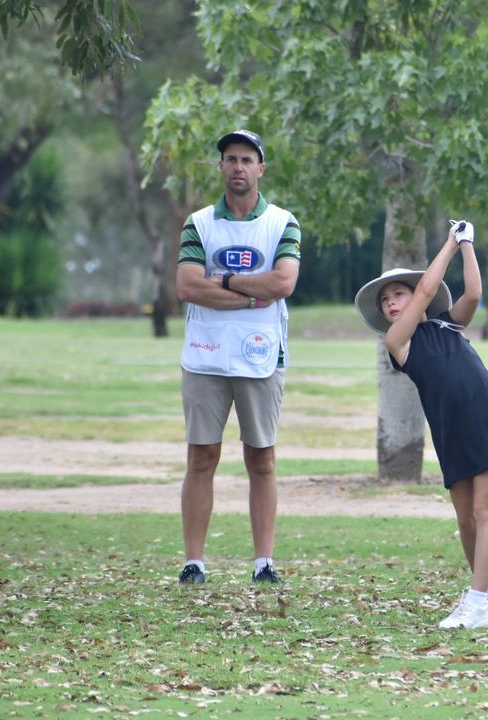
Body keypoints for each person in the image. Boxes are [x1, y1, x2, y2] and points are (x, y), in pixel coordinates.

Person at [353, 220, 488, 628]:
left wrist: (466, 245)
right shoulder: (398, 343)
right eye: (387, 302)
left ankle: (479, 602)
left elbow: (475, 294)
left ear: (414, 297)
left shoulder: (449, 322)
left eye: (399, 294)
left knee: (485, 512)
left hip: (484, 414)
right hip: (450, 428)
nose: (393, 304)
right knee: (465, 517)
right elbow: (428, 289)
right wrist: (448, 242)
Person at [174, 129, 301, 586]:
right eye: (230, 159)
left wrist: (221, 281)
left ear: (261, 168)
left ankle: (263, 561)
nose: (239, 167)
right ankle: (194, 562)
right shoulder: (199, 223)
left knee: (261, 458)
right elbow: (188, 286)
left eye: (247, 159)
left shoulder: (282, 222)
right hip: (205, 355)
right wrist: (250, 293)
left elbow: (283, 283)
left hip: (261, 354)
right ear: (221, 167)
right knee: (201, 456)